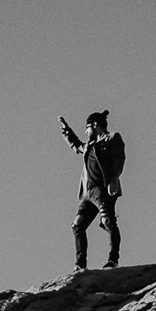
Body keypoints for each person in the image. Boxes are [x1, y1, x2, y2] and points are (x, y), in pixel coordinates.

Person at [59, 109, 125, 269]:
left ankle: (113, 260)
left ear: (94, 125)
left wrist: (113, 179)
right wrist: (66, 131)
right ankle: (80, 265)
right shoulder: (89, 145)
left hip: (103, 190)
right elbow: (76, 146)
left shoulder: (112, 138)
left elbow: (119, 160)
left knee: (108, 221)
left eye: (87, 127)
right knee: (77, 226)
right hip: (87, 194)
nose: (85, 131)